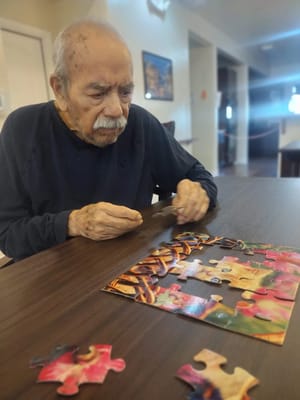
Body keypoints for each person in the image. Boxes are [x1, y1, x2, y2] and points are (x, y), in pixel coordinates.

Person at [0, 19, 217, 261]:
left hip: (131, 270)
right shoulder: (22, 129)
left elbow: (200, 176)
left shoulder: (140, 124)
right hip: (53, 279)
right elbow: (8, 235)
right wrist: (73, 223)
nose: (116, 109)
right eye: (98, 93)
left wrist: (198, 193)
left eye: (125, 92)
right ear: (60, 90)